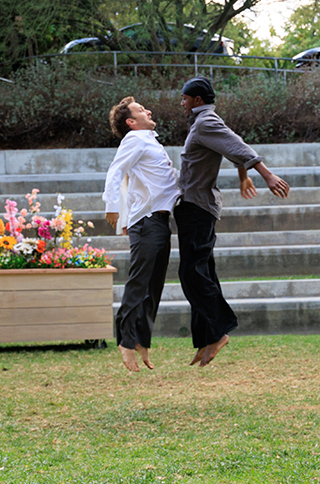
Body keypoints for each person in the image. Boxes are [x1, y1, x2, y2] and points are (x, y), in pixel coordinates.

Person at [176, 76, 290, 366]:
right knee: (202, 272)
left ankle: (219, 330)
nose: (181, 103)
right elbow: (230, 146)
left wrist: (267, 174)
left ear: (197, 100)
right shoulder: (205, 122)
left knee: (192, 273)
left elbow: (236, 145)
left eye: (184, 99)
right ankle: (205, 339)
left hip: (197, 209)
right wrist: (243, 175)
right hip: (195, 208)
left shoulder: (205, 122)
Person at [102, 97, 180, 372]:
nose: (148, 110)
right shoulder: (135, 140)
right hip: (146, 222)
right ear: (131, 122)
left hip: (160, 221)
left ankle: (142, 342)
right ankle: (125, 341)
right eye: (140, 110)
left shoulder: (151, 141)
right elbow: (116, 171)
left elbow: (165, 180)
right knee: (139, 284)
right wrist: (112, 207)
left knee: (153, 287)